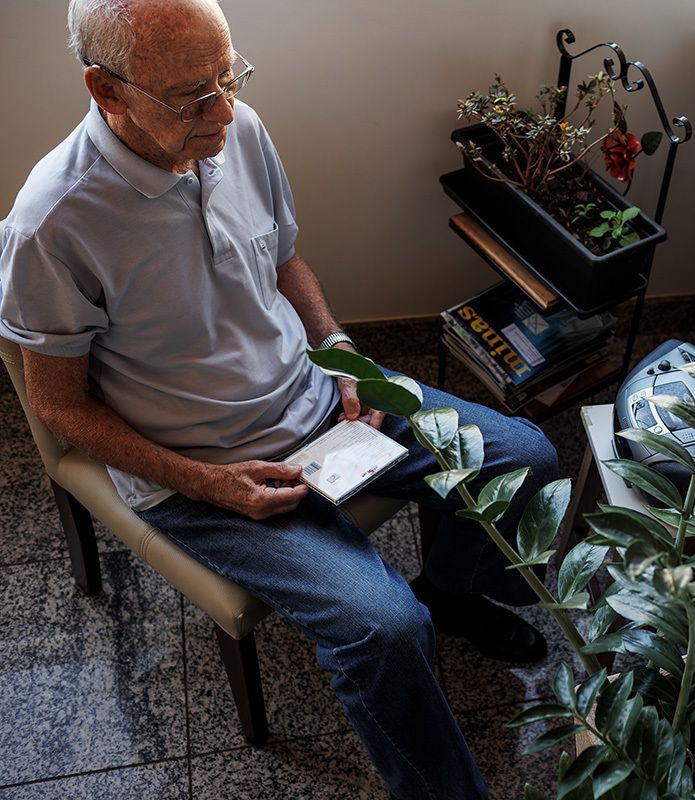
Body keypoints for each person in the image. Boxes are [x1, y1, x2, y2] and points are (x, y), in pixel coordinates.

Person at [0, 0, 559, 796]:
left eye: (229, 78)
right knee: (385, 629)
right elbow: (59, 408)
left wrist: (338, 349)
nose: (224, 112)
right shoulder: (51, 223)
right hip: (207, 467)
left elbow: (285, 261)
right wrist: (207, 483)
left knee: (526, 455)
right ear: (107, 89)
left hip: (315, 393)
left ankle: (454, 594)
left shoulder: (237, 131)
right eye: (193, 95)